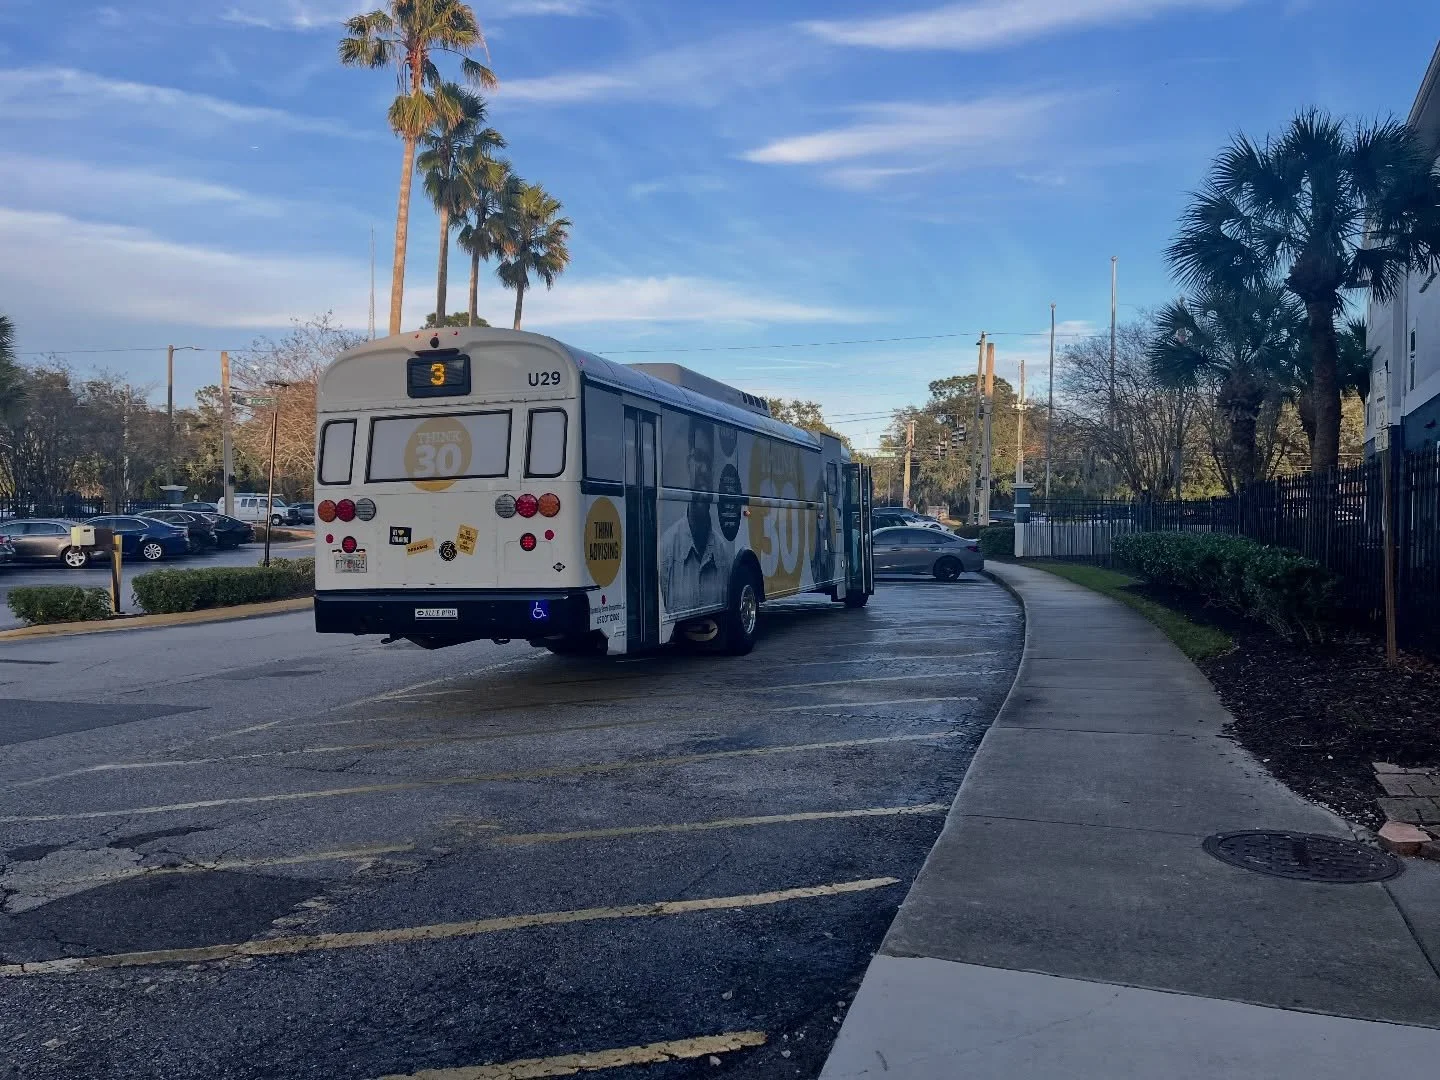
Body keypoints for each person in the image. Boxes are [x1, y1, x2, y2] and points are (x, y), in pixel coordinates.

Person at [660, 416, 727, 616]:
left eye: (709, 461)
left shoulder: (722, 552)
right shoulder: (666, 550)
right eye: (698, 457)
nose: (704, 469)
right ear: (688, 462)